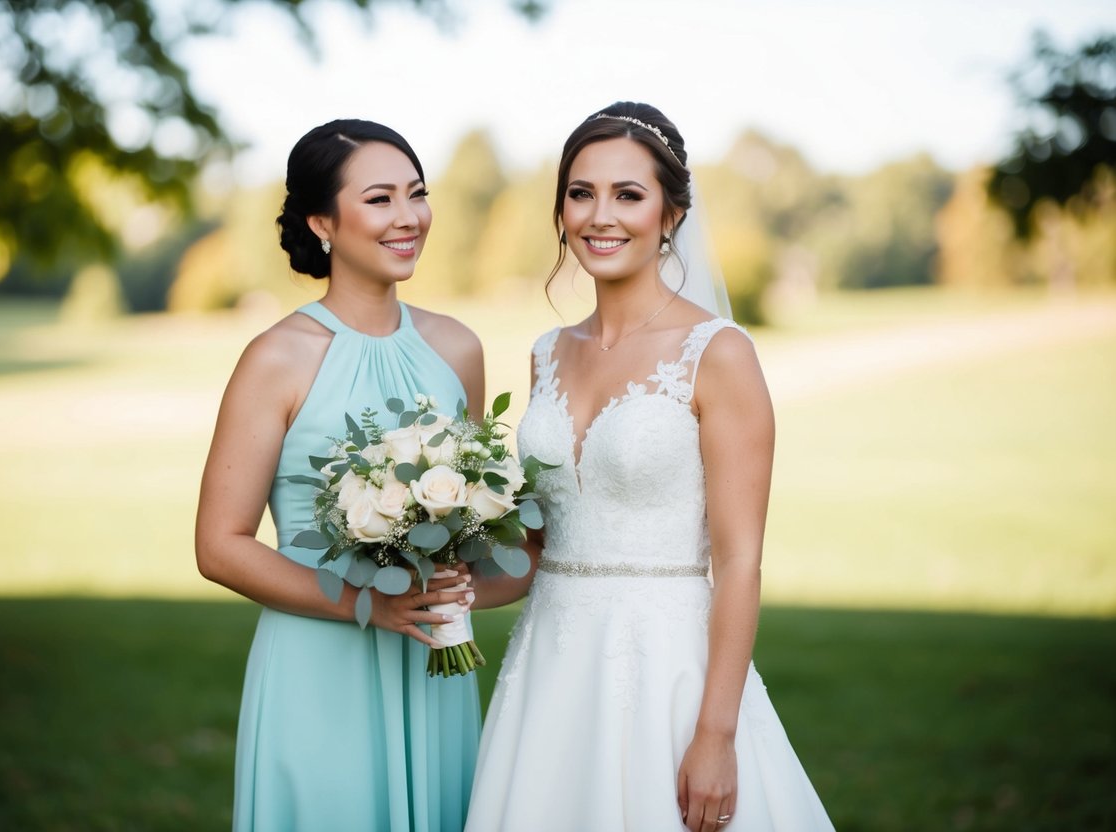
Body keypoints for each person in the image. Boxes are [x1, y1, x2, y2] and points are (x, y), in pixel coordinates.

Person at [464, 103, 834, 831]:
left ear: (670, 213)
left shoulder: (717, 353)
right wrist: (446, 587)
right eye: (581, 192)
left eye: (627, 194)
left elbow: (739, 561)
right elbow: (540, 551)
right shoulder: (545, 353)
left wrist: (715, 735)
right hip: (548, 673)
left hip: (668, 673)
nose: (600, 216)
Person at [195, 119, 484, 832]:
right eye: (380, 199)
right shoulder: (278, 357)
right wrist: (364, 604)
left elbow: (474, 523)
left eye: (416, 194)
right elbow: (219, 545)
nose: (408, 217)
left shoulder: (457, 348)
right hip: (317, 655)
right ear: (322, 221)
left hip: (431, 662)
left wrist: (464, 579)